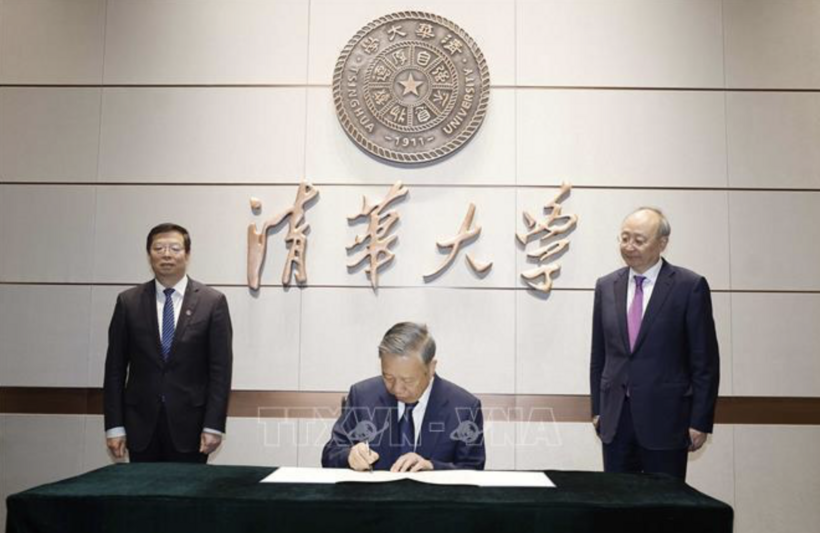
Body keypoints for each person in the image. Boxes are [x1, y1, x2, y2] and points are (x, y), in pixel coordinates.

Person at [590, 207, 719, 479]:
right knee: (617, 500)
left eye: (639, 240)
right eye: (624, 238)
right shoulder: (606, 286)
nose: (629, 246)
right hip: (616, 421)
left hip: (667, 420)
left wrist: (700, 420)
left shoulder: (689, 286)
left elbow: (705, 361)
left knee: (664, 502)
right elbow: (599, 356)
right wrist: (598, 410)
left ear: (662, 243)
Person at [103, 223, 233, 463]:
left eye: (175, 248)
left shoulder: (212, 302)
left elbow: (220, 370)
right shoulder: (128, 302)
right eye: (159, 248)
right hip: (140, 424)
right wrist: (114, 426)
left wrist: (214, 425)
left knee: (188, 488)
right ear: (149, 255)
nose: (166, 254)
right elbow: (114, 369)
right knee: (142, 488)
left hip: (192, 426)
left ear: (187, 254)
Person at [322, 322, 485, 472]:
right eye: (388, 377)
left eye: (408, 380)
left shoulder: (464, 407)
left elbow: (473, 469)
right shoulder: (362, 396)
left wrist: (432, 467)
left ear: (431, 368)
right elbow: (330, 454)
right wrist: (349, 456)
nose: (396, 389)